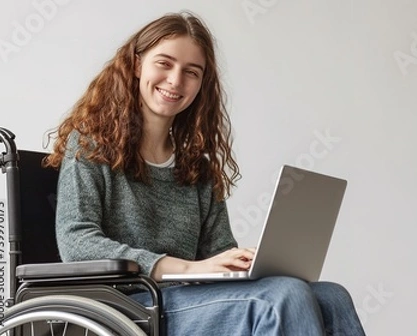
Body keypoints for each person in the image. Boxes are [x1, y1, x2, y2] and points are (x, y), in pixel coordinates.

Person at [45, 10, 366, 336]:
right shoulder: (90, 145)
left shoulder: (196, 167)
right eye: (165, 63)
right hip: (126, 306)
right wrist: (181, 267)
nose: (175, 80)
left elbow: (217, 251)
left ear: (201, 84)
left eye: (191, 72)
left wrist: (243, 264)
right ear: (137, 64)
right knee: (281, 297)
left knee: (331, 296)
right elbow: (77, 242)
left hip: (182, 300)